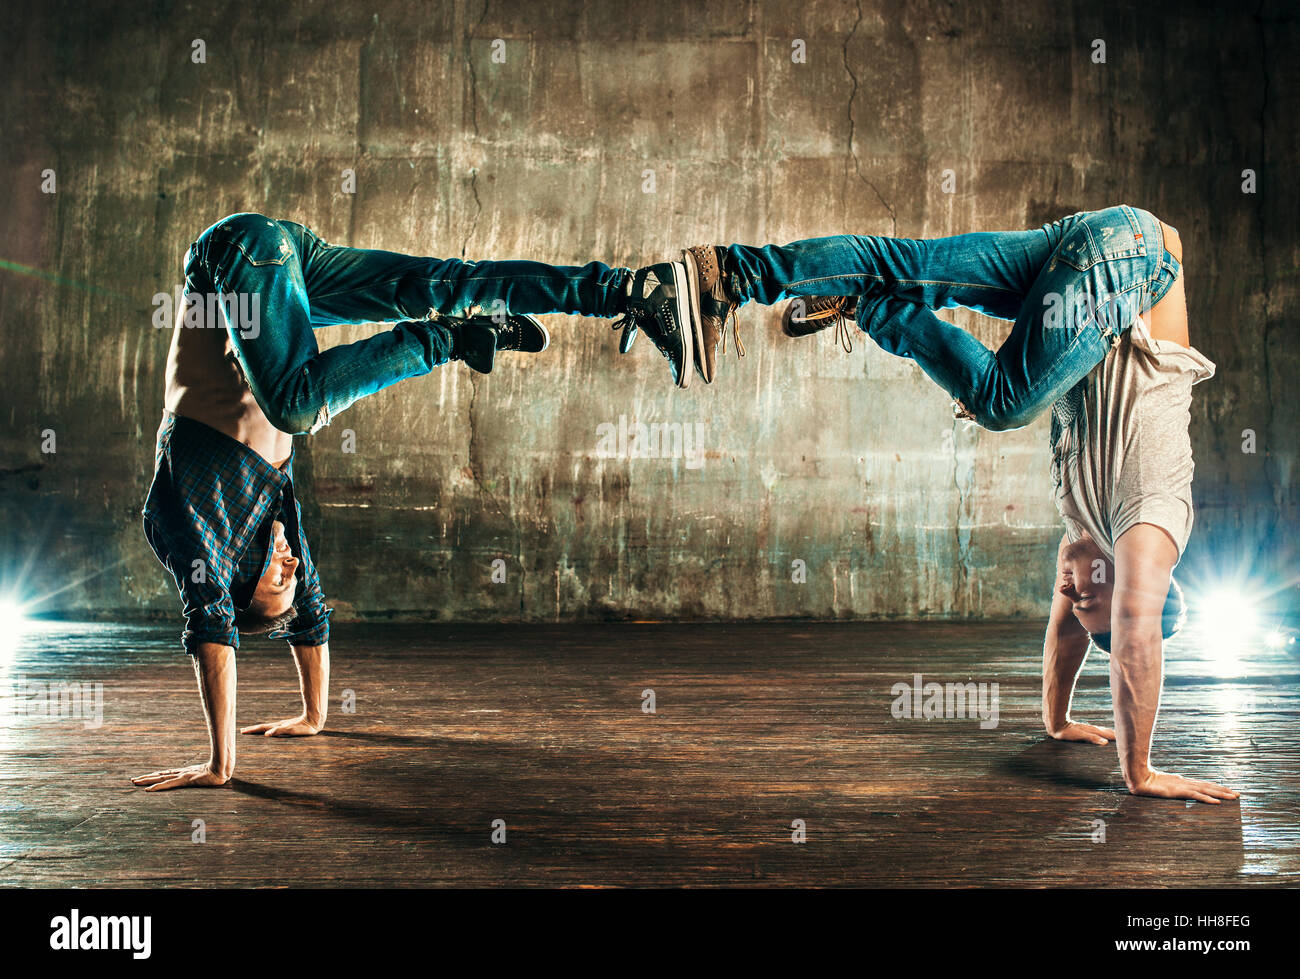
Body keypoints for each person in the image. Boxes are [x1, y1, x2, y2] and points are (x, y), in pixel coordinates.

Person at [670, 204, 1238, 804]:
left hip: (1082, 258)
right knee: (1002, 402)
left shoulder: (1084, 527)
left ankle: (724, 275)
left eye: (1072, 602)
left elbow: (1065, 636)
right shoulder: (1152, 518)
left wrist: (1056, 721)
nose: (1069, 594)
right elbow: (1133, 638)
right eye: (1088, 596)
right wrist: (1139, 772)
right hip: (1134, 266)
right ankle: (869, 307)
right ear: (1133, 588)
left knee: (908, 267)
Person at [133, 212, 693, 791]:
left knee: (298, 409)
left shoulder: (188, 521)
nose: (292, 566)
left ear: (237, 575)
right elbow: (312, 611)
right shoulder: (273, 515)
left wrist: (221, 766)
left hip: (232, 264)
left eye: (277, 579)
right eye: (291, 575)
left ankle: (451, 337)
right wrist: (315, 715)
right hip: (282, 272)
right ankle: (631, 291)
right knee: (450, 283)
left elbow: (211, 626)